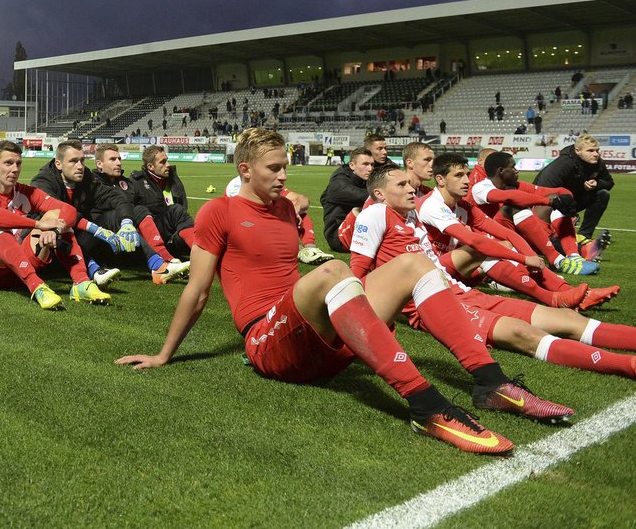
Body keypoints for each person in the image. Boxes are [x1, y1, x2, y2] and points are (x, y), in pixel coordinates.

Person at [117, 128, 571, 455]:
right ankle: (425, 405)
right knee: (334, 271)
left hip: (314, 335)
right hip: (266, 341)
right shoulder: (219, 210)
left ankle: (491, 383)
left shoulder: (286, 210)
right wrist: (163, 354)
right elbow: (197, 291)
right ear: (244, 170)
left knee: (411, 263)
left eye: (285, 168)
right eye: (273, 169)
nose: (282, 177)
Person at [354, 165, 636, 383]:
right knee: (521, 333)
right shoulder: (377, 214)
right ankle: (628, 366)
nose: (412, 188)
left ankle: (562, 299)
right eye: (402, 184)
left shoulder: (413, 216)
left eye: (409, 183)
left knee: (568, 318)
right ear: (379, 194)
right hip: (435, 305)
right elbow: (357, 274)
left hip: (462, 291)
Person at [417, 153, 588, 310]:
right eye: (458, 175)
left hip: (454, 267)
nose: (466, 181)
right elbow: (475, 241)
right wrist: (523, 258)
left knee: (501, 244)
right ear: (440, 179)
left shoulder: (462, 205)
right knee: (479, 248)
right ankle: (552, 297)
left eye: (467, 175)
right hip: (428, 271)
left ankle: (562, 289)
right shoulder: (432, 205)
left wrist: (530, 258)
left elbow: (508, 234)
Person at [0, 140, 112, 309]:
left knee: (58, 218)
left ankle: (81, 282)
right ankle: (37, 286)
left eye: (18, 163)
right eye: (8, 163)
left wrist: (54, 230)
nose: (15, 169)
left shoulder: (26, 192)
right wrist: (38, 224)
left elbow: (68, 210)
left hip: (16, 269)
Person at [469, 151, 617, 309]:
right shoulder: (479, 187)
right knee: (517, 209)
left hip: (500, 240)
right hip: (484, 249)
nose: (517, 170)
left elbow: (542, 192)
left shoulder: (512, 186)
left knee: (555, 206)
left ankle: (573, 266)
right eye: (513, 167)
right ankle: (564, 264)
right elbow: (511, 198)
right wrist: (550, 201)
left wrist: (563, 196)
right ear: (501, 171)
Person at [30, 140, 140, 288]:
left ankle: (156, 262)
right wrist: (96, 230)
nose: (80, 166)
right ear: (58, 164)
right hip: (48, 242)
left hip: (78, 236)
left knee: (122, 214)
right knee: (62, 226)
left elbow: (113, 196)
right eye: (74, 161)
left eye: (82, 160)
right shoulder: (43, 181)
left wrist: (127, 222)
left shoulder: (86, 176)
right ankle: (93, 269)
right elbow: (61, 214)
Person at [92, 144, 190, 283]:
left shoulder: (125, 183)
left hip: (131, 240)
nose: (119, 162)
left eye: (119, 158)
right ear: (99, 164)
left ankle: (200, 254)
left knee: (175, 210)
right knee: (135, 210)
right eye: (113, 159)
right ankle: (162, 262)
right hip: (106, 242)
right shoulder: (91, 183)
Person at [533, 134, 613, 255]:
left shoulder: (598, 163)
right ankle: (554, 236)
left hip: (572, 200)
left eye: (597, 150)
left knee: (603, 194)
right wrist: (565, 209)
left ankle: (583, 236)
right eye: (590, 151)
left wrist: (597, 184)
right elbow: (543, 189)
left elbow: (609, 182)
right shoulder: (563, 164)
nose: (596, 154)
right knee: (545, 236)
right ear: (577, 151)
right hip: (547, 203)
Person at [128, 145, 196, 262]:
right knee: (175, 210)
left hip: (169, 235)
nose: (168, 165)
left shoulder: (172, 180)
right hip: (149, 238)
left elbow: (182, 207)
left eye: (167, 161)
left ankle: (202, 252)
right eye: (163, 162)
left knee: (180, 214)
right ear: (150, 166)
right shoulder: (136, 183)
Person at [319, 147, 373, 252]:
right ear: (352, 165)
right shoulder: (339, 181)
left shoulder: (362, 179)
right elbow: (356, 195)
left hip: (356, 232)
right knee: (365, 206)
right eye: (365, 164)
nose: (370, 168)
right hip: (338, 237)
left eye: (372, 164)